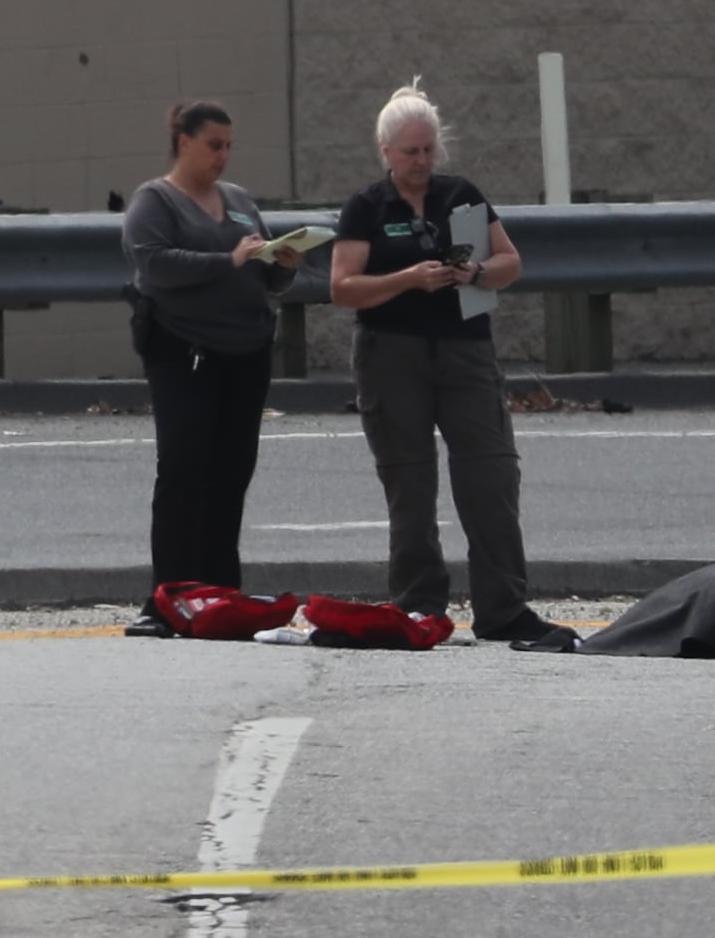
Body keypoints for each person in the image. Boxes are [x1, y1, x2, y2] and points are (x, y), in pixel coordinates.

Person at [329, 80, 564, 649]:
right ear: (386, 151)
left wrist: (475, 274)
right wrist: (409, 278)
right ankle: (417, 605)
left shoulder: (461, 195)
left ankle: (503, 607)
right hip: (392, 354)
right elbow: (342, 287)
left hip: (464, 350)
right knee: (410, 481)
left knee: (490, 474)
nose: (421, 161)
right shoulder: (366, 207)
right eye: (409, 152)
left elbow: (509, 260)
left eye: (429, 149)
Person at [120, 97, 293, 622]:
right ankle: (168, 595)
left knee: (232, 470)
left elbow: (264, 276)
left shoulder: (239, 200)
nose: (223, 156)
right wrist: (229, 258)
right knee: (184, 469)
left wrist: (281, 263)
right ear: (184, 143)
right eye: (214, 145)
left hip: (246, 350)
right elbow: (155, 265)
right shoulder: (156, 201)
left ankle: (222, 590)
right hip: (185, 351)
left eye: (229, 147)